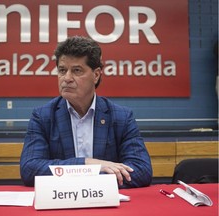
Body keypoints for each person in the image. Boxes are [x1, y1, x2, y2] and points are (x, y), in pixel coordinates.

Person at [20, 35, 152, 188]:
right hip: (61, 203)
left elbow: (141, 170)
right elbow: (30, 169)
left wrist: (84, 176)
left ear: (96, 75)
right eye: (62, 70)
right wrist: (88, 164)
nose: (67, 78)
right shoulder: (43, 116)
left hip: (105, 204)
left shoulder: (121, 117)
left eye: (76, 70)